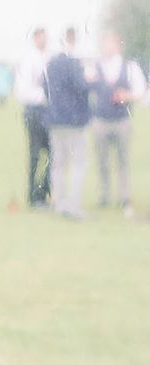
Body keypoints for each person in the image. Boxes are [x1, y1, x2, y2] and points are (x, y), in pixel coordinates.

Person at [90, 30, 147, 217]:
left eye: (111, 44)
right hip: (100, 120)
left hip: (122, 120)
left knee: (122, 161)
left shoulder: (130, 67)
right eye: (105, 44)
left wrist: (126, 95)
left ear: (118, 46)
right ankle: (104, 195)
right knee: (102, 161)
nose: (107, 47)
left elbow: (141, 92)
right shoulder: (95, 67)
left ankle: (124, 196)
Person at [45, 27, 90, 220]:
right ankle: (73, 204)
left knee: (58, 163)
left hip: (55, 119)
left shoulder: (51, 63)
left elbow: (43, 86)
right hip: (74, 121)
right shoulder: (74, 63)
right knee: (79, 162)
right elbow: (82, 88)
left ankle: (60, 203)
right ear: (73, 40)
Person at [15, 27, 50, 209]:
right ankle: (34, 196)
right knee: (35, 155)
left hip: (48, 112)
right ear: (35, 39)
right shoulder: (29, 60)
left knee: (52, 154)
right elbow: (24, 91)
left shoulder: (48, 58)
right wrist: (45, 96)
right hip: (34, 111)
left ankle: (44, 192)